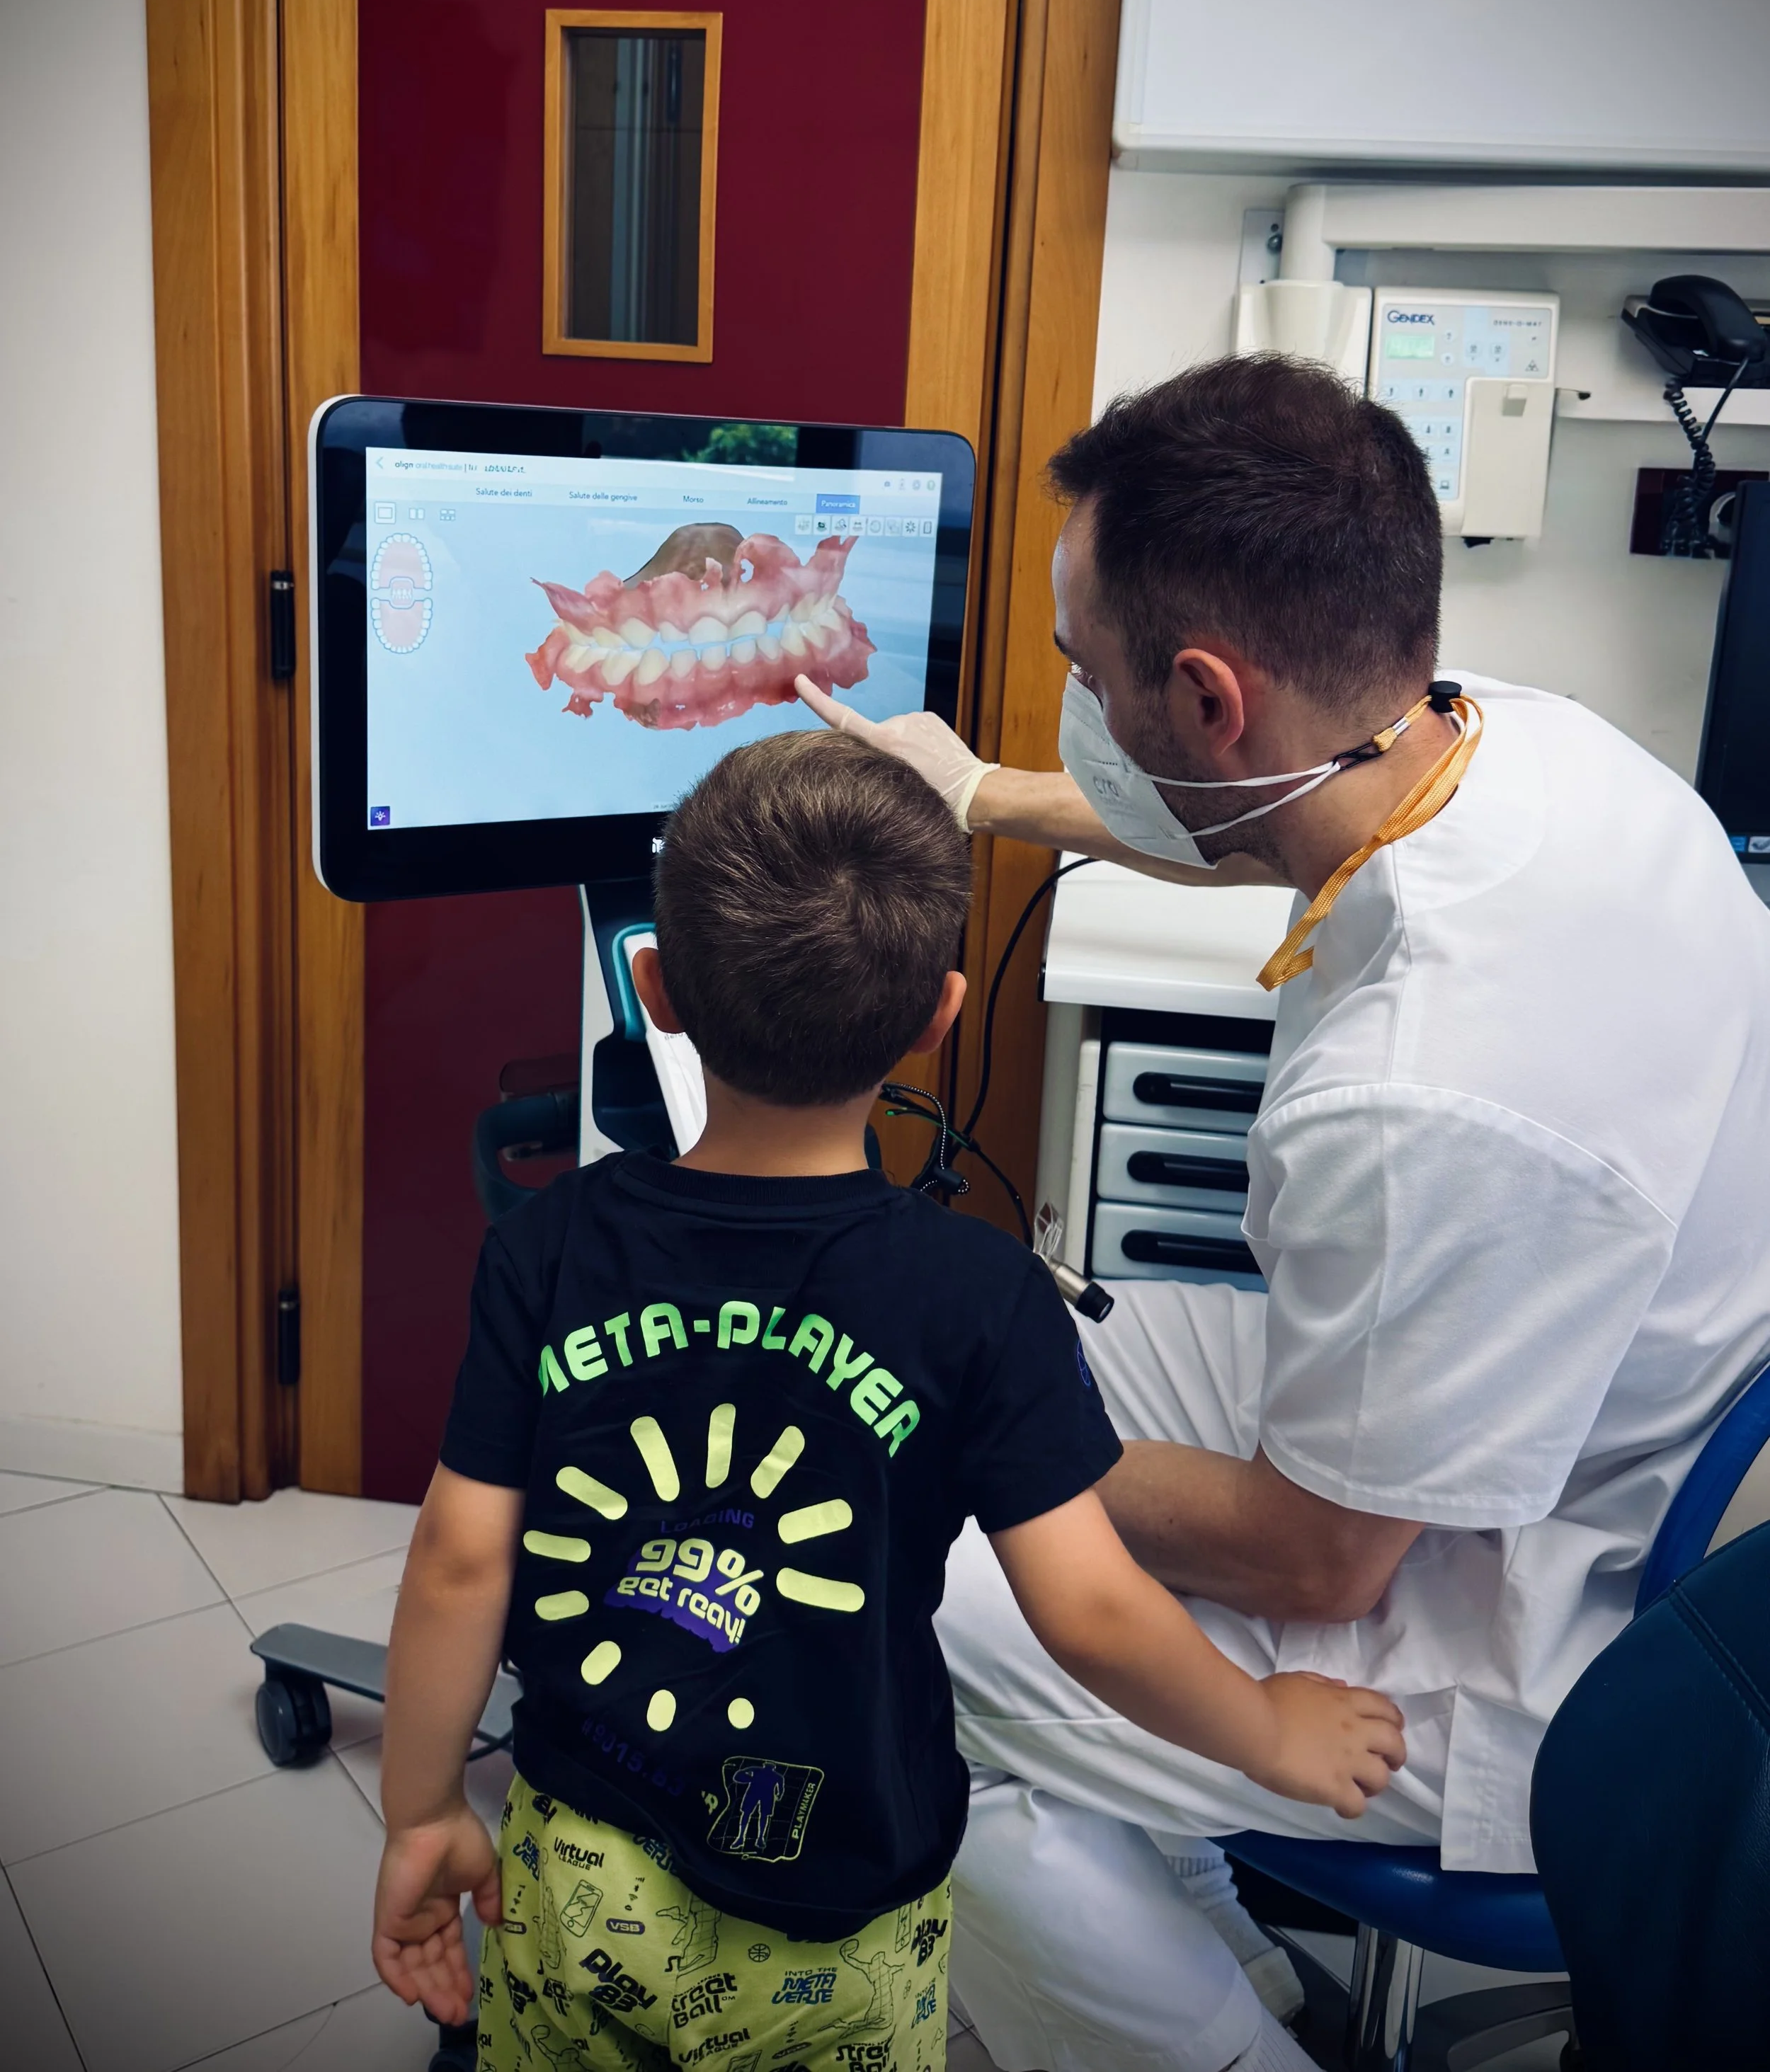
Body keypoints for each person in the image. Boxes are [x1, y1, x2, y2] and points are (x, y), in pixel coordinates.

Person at [796, 353, 1770, 2072]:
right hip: (1601, 1425)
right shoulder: (1515, 745)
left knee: (874, 1584)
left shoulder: (1418, 1091)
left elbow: (1316, 1556)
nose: (1063, 691)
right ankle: (1209, 1950)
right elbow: (1261, 818)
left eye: (1076, 670)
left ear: (1200, 694)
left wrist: (952, 1446)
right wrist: (983, 791)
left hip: (1549, 1609)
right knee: (1072, 1317)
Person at [367, 728, 1405, 2072]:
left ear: (656, 992)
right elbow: (1089, 1611)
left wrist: (423, 1810)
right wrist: (1266, 1731)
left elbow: (458, 1559)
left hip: (579, 1863)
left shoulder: (548, 1246)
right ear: (941, 1016)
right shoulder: (979, 1297)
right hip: (838, 1905)